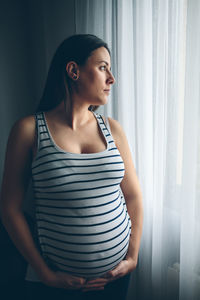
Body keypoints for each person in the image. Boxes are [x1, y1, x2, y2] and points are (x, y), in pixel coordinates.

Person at [0, 34, 143, 300]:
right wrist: (45, 274)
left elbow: (133, 195)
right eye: (103, 67)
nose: (111, 78)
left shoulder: (113, 129)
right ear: (73, 70)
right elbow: (10, 209)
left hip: (117, 276)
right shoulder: (29, 130)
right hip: (57, 284)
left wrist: (132, 256)